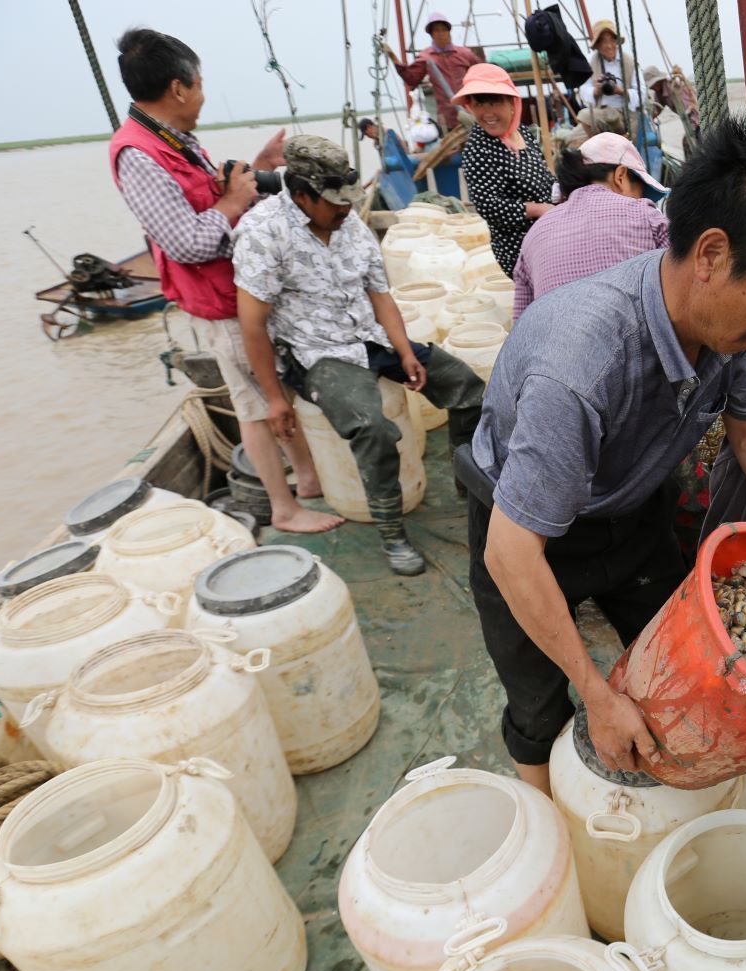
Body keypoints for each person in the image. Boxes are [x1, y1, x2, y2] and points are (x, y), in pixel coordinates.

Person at [458, 116, 746, 795]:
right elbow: (511, 553)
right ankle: (545, 816)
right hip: (521, 526)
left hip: (631, 505)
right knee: (537, 702)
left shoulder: (723, 329)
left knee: (678, 660)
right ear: (710, 254)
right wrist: (594, 691)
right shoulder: (580, 366)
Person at [109, 27, 341, 536]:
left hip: (242, 288)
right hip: (218, 300)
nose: (202, 93)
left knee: (271, 389)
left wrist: (256, 171)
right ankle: (284, 509)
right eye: (199, 83)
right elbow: (186, 242)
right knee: (255, 407)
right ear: (179, 88)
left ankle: (306, 479)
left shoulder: (173, 138)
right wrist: (235, 202)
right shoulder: (138, 155)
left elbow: (206, 196)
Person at [232, 136, 487, 576]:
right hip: (316, 352)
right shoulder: (261, 233)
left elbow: (381, 295)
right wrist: (275, 400)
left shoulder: (349, 221)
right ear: (302, 195)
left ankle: (468, 490)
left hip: (369, 337)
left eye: (349, 200)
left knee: (468, 387)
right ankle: (393, 535)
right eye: (334, 203)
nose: (346, 210)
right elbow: (252, 325)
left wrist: (406, 352)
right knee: (373, 427)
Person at [512, 132, 669, 321]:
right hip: (633, 349)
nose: (641, 199)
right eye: (640, 192)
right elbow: (686, 289)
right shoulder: (645, 215)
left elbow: (520, 330)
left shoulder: (534, 235)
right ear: (620, 176)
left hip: (556, 349)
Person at [456, 63, 557, 281]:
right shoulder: (478, 149)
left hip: (550, 232)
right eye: (480, 105)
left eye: (494, 102)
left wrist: (564, 194)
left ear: (512, 103)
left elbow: (544, 176)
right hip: (520, 248)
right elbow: (487, 205)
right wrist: (536, 209)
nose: (488, 113)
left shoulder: (522, 132)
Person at [385, 12, 481, 133]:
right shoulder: (426, 57)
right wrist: (394, 59)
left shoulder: (465, 54)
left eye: (443, 30)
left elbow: (482, 74)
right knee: (454, 149)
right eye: (436, 30)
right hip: (448, 119)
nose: (441, 34)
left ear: (449, 31)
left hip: (472, 113)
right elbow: (411, 79)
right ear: (431, 34)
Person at [577, 20, 639, 137]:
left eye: (612, 40)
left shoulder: (630, 62)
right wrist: (595, 91)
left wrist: (621, 91)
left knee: (617, 121)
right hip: (601, 111)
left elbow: (641, 93)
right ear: (598, 45)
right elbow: (583, 90)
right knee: (584, 115)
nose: (609, 46)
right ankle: (601, 144)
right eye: (604, 41)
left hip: (625, 113)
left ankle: (616, 137)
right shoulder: (590, 61)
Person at [643, 65, 700, 151]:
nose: (651, 87)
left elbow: (692, 108)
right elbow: (656, 111)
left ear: (657, 81)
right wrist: (646, 120)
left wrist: (694, 129)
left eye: (652, 85)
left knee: (689, 144)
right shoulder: (659, 92)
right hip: (690, 122)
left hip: (697, 121)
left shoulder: (674, 87)